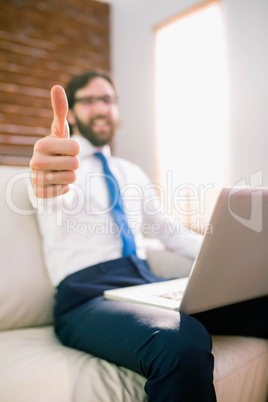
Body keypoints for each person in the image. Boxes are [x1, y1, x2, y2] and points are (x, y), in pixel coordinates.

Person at [29, 70, 267, 401]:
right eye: (90, 100)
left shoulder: (130, 172)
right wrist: (48, 181)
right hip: (87, 297)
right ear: (70, 112)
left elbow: (171, 233)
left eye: (109, 100)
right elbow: (54, 197)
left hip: (145, 286)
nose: (102, 108)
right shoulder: (57, 168)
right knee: (179, 341)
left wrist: (234, 253)